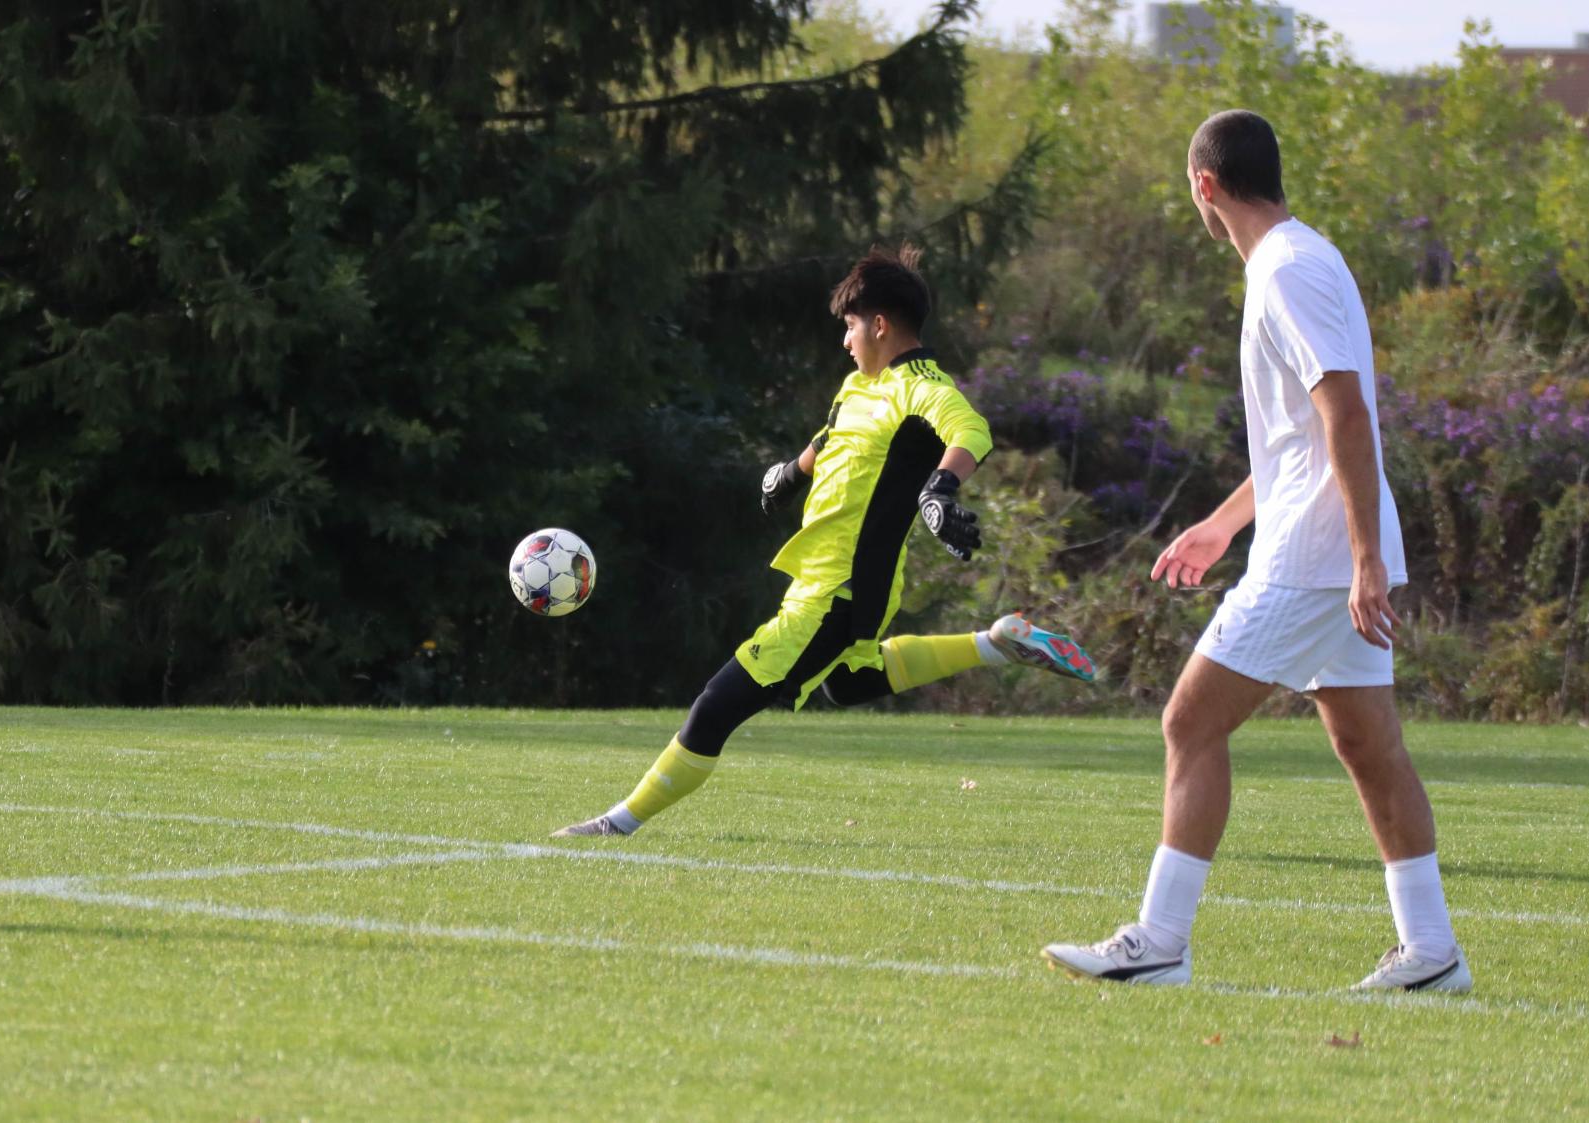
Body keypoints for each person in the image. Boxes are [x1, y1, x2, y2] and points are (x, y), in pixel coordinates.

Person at [1041, 110, 1470, 992]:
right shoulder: (1301, 258)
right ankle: (1430, 954)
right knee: (1366, 744)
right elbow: (1304, 437)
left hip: (1315, 560)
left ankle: (1158, 941)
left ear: (1205, 185)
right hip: (1319, 547)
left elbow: (1346, 413)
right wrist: (1223, 521)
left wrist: (1361, 560)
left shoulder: (1285, 271)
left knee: (1188, 722)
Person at [551, 246, 1099, 839]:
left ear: (880, 325)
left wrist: (939, 490)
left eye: (850, 326)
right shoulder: (860, 386)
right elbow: (833, 430)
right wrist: (791, 472)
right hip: (833, 586)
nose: (845, 341)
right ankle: (997, 643)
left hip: (839, 591)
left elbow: (971, 430)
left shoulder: (919, 387)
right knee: (850, 682)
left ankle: (617, 824)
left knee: (717, 703)